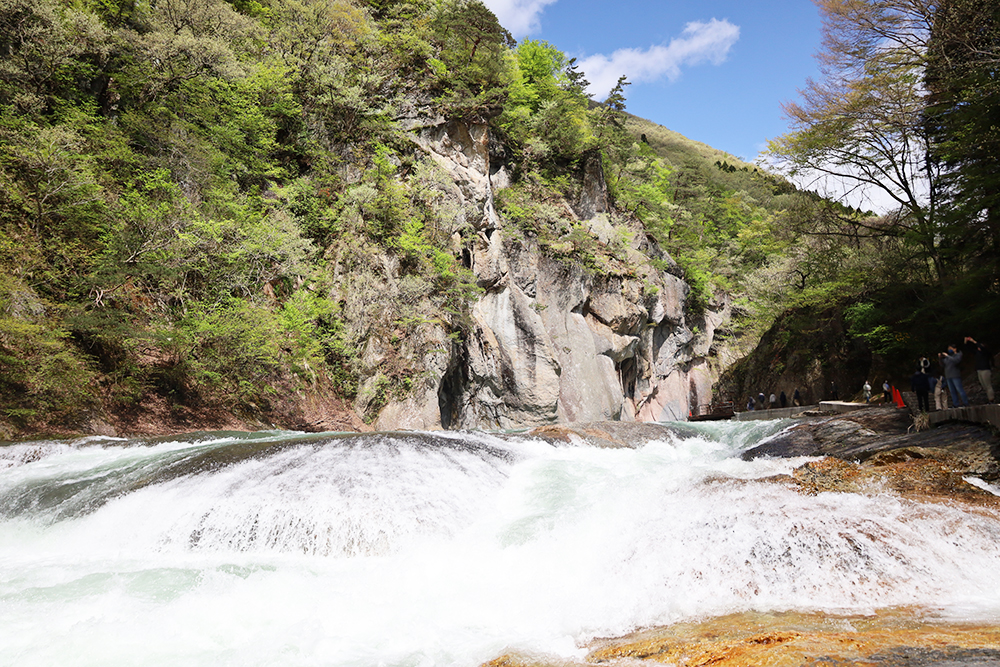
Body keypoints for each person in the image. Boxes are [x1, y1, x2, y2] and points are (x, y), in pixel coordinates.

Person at [965, 337, 994, 403]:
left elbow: (982, 347)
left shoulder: (986, 352)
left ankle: (991, 399)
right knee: (984, 386)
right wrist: (966, 342)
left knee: (988, 385)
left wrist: (973, 341)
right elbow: (969, 349)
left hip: (985, 370)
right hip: (979, 370)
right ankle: (989, 398)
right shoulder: (977, 353)